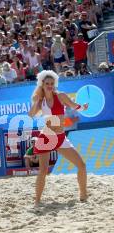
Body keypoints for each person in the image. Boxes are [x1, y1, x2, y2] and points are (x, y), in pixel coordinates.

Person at [28, 71, 88, 207]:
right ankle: (37, 201)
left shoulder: (60, 96)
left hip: (60, 138)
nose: (50, 86)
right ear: (42, 84)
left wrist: (83, 107)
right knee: (43, 170)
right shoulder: (41, 101)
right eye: (47, 83)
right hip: (47, 137)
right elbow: (31, 115)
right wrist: (36, 101)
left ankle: (83, 195)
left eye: (51, 83)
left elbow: (74, 106)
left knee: (82, 165)